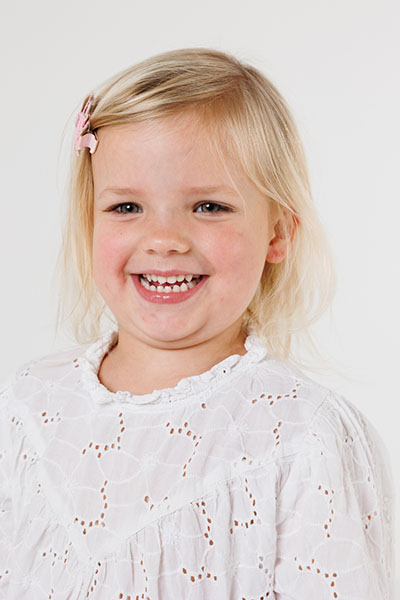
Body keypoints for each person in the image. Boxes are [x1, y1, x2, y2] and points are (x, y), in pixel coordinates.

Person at [0, 48, 394, 599]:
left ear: (278, 233)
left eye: (208, 206)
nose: (164, 239)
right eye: (127, 207)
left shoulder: (303, 436)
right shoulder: (28, 406)